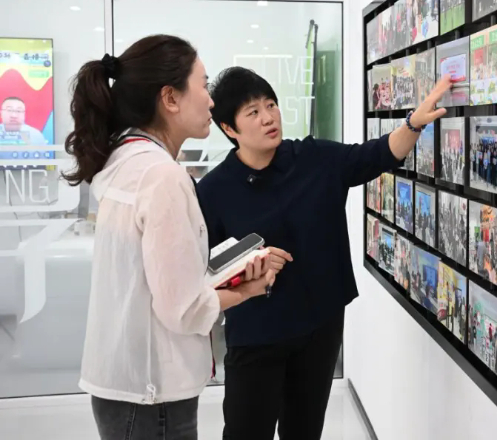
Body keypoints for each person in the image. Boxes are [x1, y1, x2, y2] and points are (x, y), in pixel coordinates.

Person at [196, 67, 450, 439]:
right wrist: (249, 263)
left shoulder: (313, 158)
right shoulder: (214, 190)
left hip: (318, 326)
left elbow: (377, 154)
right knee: (246, 432)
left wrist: (413, 123)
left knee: (305, 431)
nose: (268, 117)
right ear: (229, 129)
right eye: (253, 112)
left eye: (271, 105)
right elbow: (203, 269)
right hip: (256, 334)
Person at [64, 36, 279, 440]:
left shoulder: (126, 158)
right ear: (170, 98)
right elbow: (183, 310)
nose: (211, 101)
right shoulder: (162, 176)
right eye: (203, 85)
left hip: (128, 384)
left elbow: (154, 280)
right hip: (152, 394)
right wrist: (248, 288)